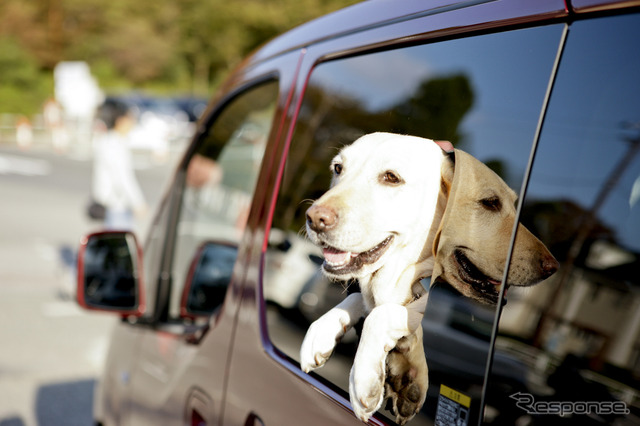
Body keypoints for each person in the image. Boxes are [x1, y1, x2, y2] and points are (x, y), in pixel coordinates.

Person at [92, 99, 147, 230]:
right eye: (130, 118)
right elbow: (123, 177)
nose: (132, 122)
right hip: (117, 207)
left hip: (111, 206)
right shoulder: (114, 145)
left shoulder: (108, 141)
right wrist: (138, 203)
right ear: (120, 120)